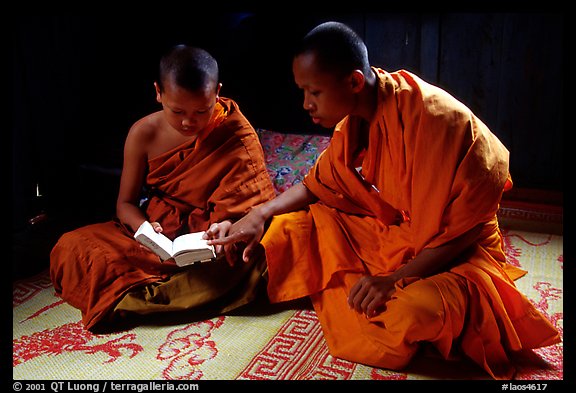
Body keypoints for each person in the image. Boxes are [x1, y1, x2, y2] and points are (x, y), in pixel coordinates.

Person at [205, 22, 561, 379]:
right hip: (402, 236)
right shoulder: (358, 120)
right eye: (302, 91)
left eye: (314, 92)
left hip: (455, 255)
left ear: (355, 82)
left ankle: (401, 304)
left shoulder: (435, 119)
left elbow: (464, 231)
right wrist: (259, 213)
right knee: (290, 228)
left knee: (414, 313)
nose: (306, 105)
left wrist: (395, 279)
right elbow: (319, 184)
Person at [50, 45, 276, 332]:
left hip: (211, 241)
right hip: (158, 236)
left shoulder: (235, 132)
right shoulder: (143, 133)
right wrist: (145, 228)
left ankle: (139, 295)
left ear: (217, 92)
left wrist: (227, 226)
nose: (188, 122)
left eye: (201, 111)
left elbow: (251, 206)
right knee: (72, 246)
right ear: (159, 92)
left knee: (255, 258)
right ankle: (162, 291)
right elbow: (125, 204)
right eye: (177, 110)